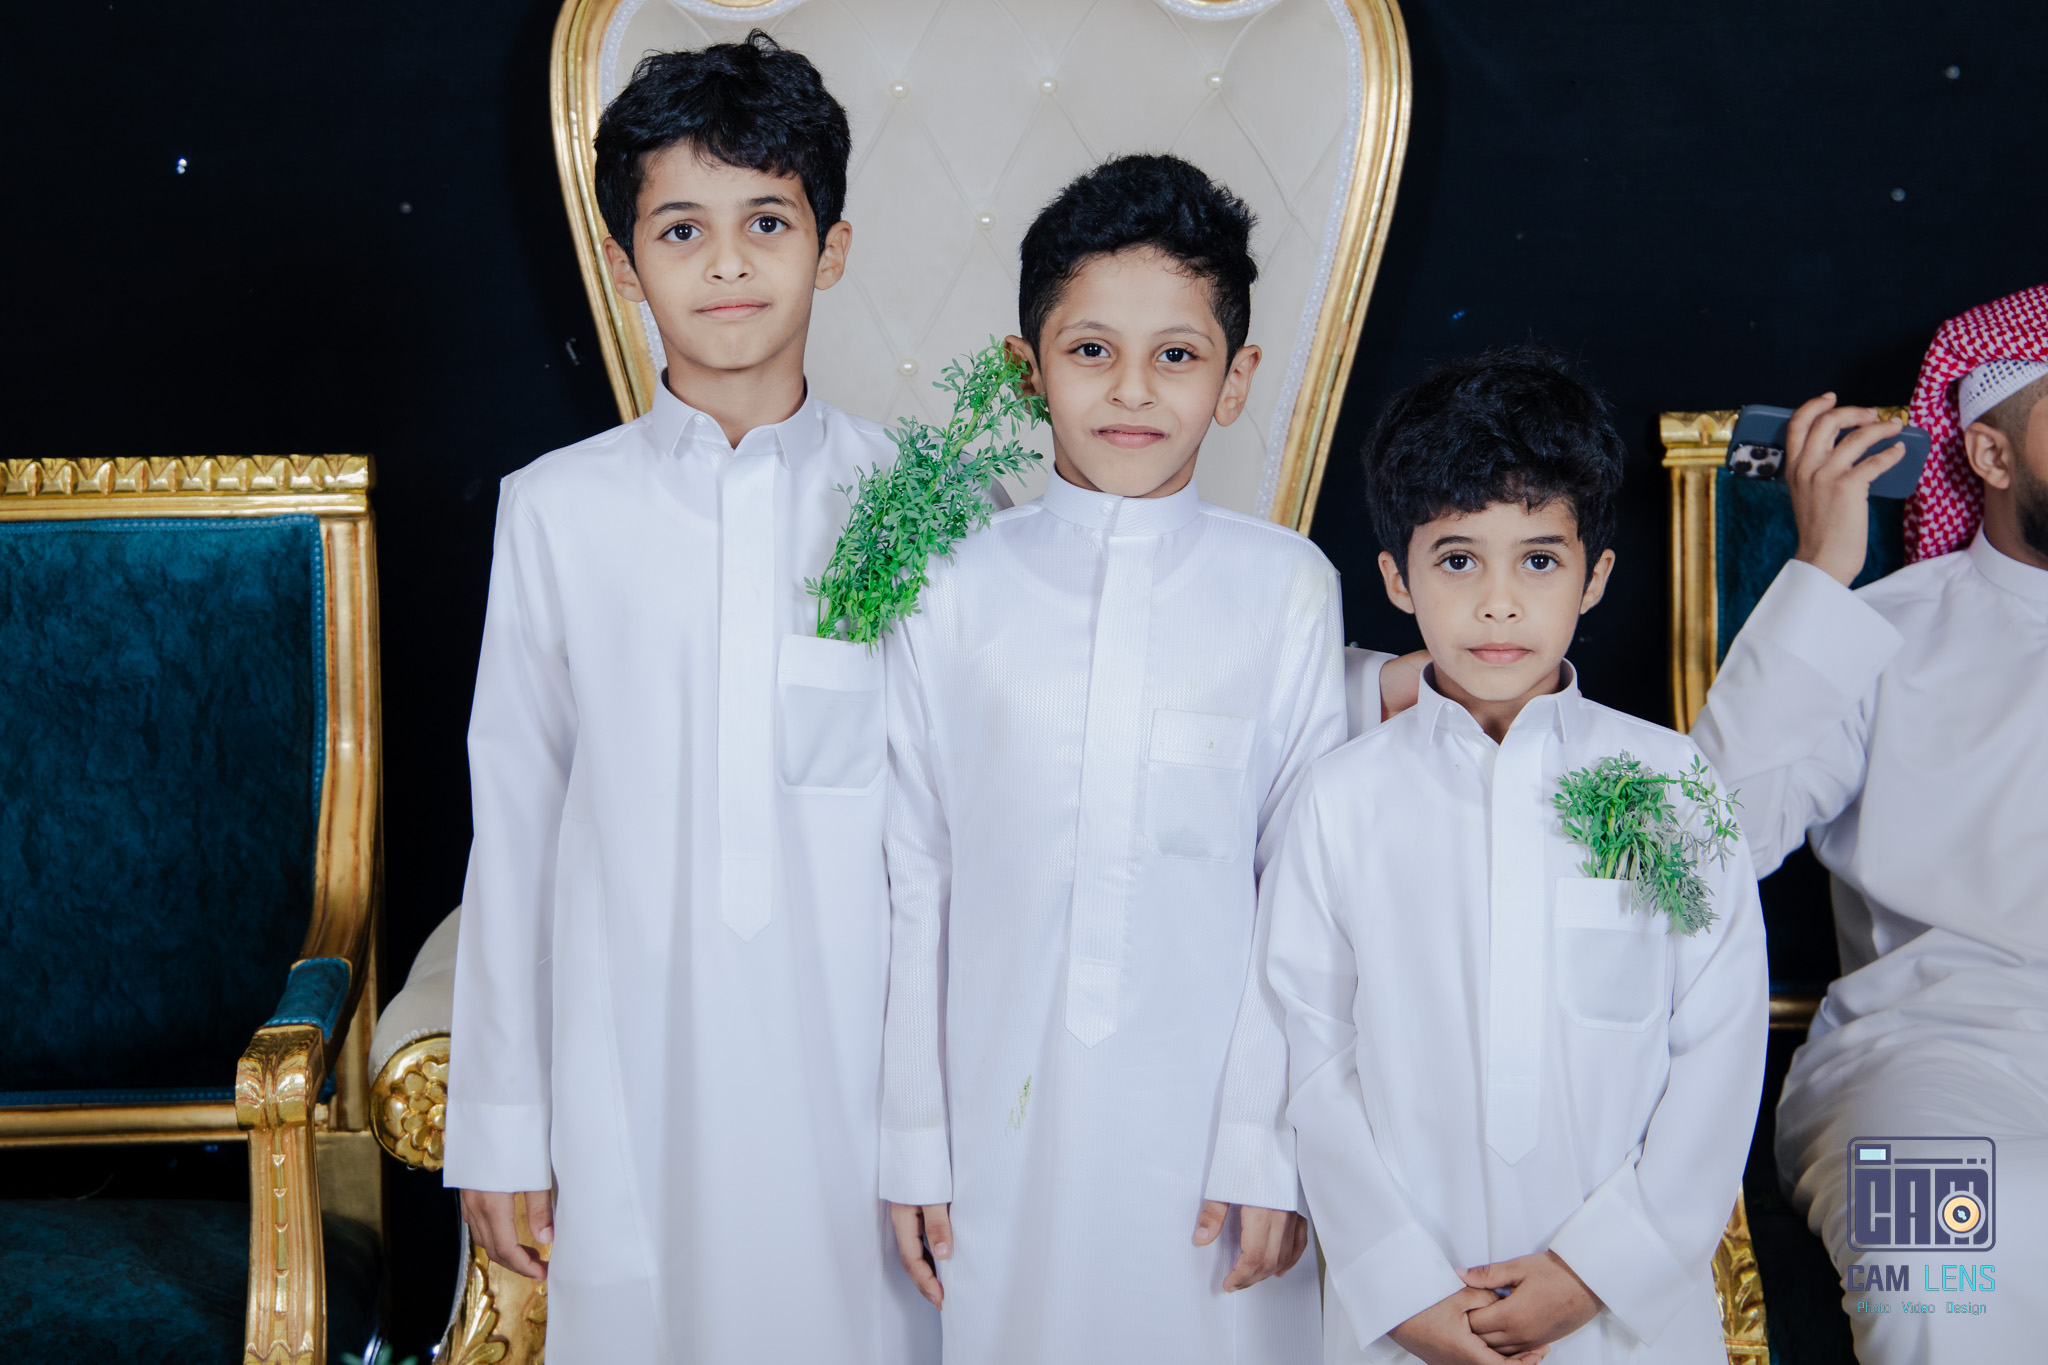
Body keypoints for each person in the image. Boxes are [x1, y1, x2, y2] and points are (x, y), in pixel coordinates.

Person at [441, 34, 936, 1362]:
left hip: (865, 1071)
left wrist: (1375, 686)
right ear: (623, 264)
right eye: (681, 229)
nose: (727, 264)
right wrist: (501, 1123)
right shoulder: (557, 512)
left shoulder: (921, 505)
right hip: (633, 1053)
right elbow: (518, 825)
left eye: (767, 221)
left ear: (832, 248)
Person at [877, 154, 1406, 1364]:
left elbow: (1299, 896)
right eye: (1089, 350)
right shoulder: (952, 583)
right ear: (1027, 368)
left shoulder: (1283, 589)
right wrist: (909, 1136)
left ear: (1235, 380)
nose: (1130, 389)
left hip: (1210, 1141)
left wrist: (1266, 1145)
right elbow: (915, 873)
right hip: (990, 1121)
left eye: (1175, 354)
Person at [1256, 347, 1769, 1364]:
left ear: (1594, 576)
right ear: (1397, 579)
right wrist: (1399, 1285)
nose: (1498, 602)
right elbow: (1309, 1050)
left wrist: (1596, 1270)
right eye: (1458, 560)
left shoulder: (1670, 783)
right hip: (1410, 1309)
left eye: (1537, 560)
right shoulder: (1340, 799)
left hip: (1621, 1316)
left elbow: (1719, 1046)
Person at [1690, 282, 2048, 1364]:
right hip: (1932, 1056)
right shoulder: (1875, 631)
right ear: (1988, 454)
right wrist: (1818, 576)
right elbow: (1707, 844)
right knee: (1937, 1265)